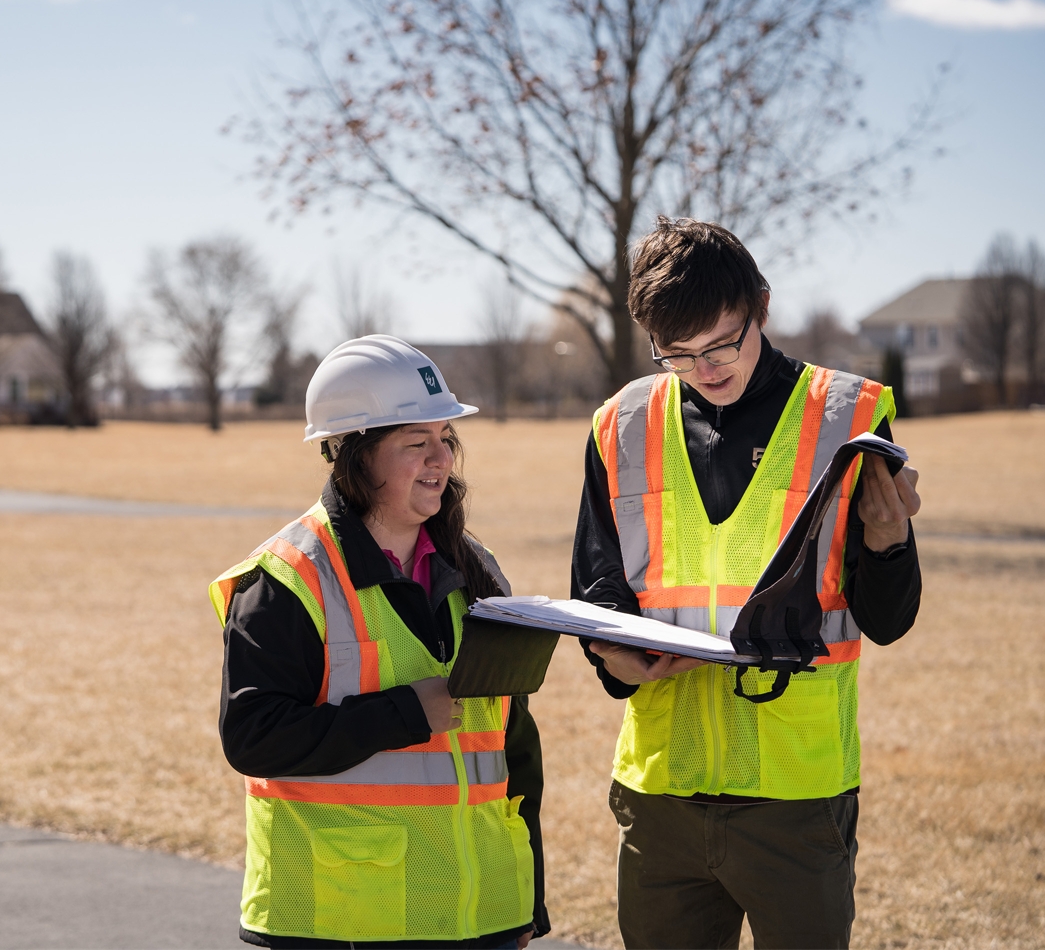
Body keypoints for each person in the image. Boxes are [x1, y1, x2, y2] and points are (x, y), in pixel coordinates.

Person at [573, 218, 923, 950]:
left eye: (721, 343)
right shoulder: (620, 425)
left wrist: (890, 547)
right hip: (660, 789)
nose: (704, 367)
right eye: (677, 354)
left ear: (760, 305)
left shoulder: (848, 417)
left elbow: (885, 621)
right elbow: (599, 587)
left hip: (796, 794)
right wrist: (610, 656)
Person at [210, 335, 550, 950]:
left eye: (446, 439)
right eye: (415, 443)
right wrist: (404, 714)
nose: (440, 460)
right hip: (341, 920)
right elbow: (253, 738)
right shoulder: (287, 579)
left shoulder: (481, 570)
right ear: (351, 456)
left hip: (483, 917)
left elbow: (513, 741)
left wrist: (527, 899)